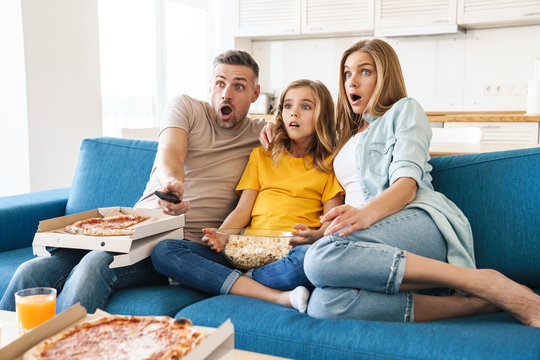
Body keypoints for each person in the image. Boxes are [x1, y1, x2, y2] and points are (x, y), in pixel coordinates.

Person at [261, 39, 540, 327]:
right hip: (366, 240)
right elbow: (306, 127)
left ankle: (482, 282)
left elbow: (407, 185)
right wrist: (269, 125)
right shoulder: (348, 131)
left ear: (385, 76)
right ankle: (467, 305)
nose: (352, 82)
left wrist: (362, 215)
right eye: (347, 73)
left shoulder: (404, 110)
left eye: (364, 72)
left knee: (318, 260)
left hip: (415, 220)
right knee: (324, 304)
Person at [0, 50, 266, 313]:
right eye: (220, 83)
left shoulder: (261, 135)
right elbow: (169, 153)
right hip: (132, 230)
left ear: (255, 94)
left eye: (239, 86)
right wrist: (172, 183)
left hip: (178, 246)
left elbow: (301, 123)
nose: (226, 93)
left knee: (95, 264)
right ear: (210, 85)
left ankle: (61, 350)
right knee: (30, 273)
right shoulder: (186, 107)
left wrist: (280, 128)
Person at [151, 79, 344, 313]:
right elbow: (243, 210)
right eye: (287, 106)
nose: (294, 113)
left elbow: (330, 221)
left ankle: (231, 280)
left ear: (323, 116)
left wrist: (313, 236)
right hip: (245, 250)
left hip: (291, 253)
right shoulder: (262, 156)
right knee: (165, 251)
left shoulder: (329, 164)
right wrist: (222, 235)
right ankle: (265, 291)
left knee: (310, 261)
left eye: (306, 107)